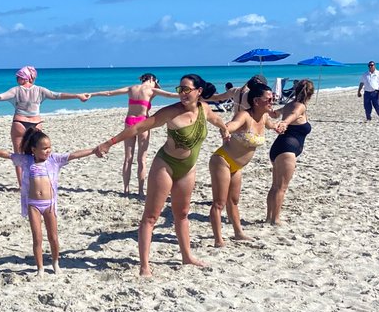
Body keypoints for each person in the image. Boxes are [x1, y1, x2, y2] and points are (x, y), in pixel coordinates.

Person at [97, 74, 231, 277]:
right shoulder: (171, 112)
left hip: (188, 169)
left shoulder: (205, 110)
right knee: (151, 217)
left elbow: (217, 120)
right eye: (180, 89)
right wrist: (109, 142)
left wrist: (224, 130)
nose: (182, 94)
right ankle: (144, 266)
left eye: (187, 89)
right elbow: (139, 126)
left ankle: (187, 256)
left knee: (182, 214)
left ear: (199, 92)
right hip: (165, 166)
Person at [0, 126, 102, 274]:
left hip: (49, 204)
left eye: (49, 147)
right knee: (37, 238)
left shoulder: (54, 160)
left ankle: (56, 263)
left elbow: (74, 155)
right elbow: (7, 155)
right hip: (33, 205)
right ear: (33, 149)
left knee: (53, 237)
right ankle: (40, 268)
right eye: (44, 148)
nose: (48, 150)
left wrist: (94, 150)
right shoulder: (26, 160)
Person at [0, 66, 90, 186]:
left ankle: (22, 185)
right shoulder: (40, 90)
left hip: (19, 123)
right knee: (36, 154)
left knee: (18, 157)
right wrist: (77, 96)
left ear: (24, 78)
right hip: (36, 124)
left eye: (18, 77)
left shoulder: (16, 90)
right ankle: (35, 180)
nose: (17, 79)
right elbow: (57, 95)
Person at [209, 80, 285, 248]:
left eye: (273, 98)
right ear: (256, 101)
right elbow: (231, 125)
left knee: (234, 201)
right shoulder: (244, 116)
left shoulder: (264, 116)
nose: (272, 102)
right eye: (269, 100)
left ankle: (238, 233)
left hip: (237, 167)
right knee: (219, 203)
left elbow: (272, 124)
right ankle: (218, 240)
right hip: (222, 161)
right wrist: (226, 129)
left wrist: (278, 127)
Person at [87, 74, 179, 199]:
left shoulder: (132, 88)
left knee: (128, 158)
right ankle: (140, 191)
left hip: (129, 122)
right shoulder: (152, 90)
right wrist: (192, 97)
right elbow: (170, 95)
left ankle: (126, 190)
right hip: (143, 122)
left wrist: (92, 94)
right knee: (141, 159)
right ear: (152, 79)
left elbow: (109, 93)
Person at [266, 79, 315, 226]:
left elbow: (275, 114)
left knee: (275, 186)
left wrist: (268, 107)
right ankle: (275, 219)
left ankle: (269, 217)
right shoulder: (300, 107)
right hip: (287, 149)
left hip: (278, 148)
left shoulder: (288, 104)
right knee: (281, 188)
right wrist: (285, 123)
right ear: (310, 94)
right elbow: (293, 115)